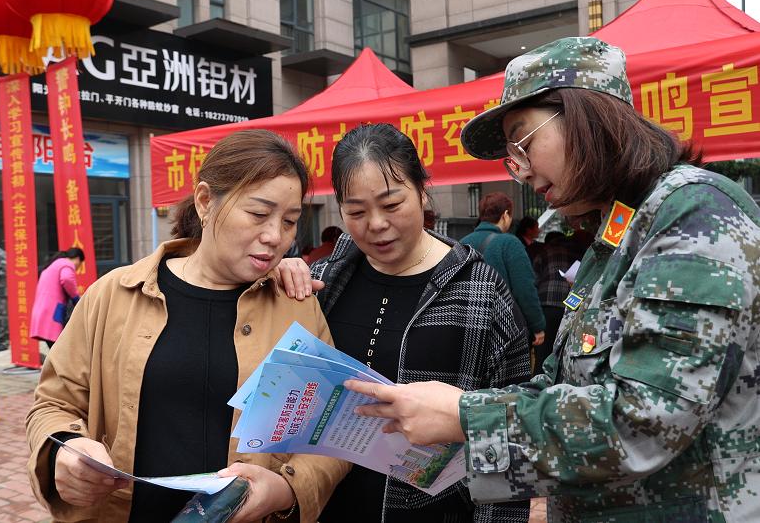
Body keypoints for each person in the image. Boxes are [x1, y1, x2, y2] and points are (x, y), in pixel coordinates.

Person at [340, 37, 760, 522]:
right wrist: (461, 410)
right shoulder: (623, 230)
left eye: (523, 142)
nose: (519, 171)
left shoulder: (693, 214)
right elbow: (569, 385)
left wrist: (465, 416)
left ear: (586, 115)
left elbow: (646, 419)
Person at [26, 130, 350, 522]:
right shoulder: (114, 294)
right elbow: (53, 403)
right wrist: (65, 448)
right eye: (259, 214)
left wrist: (285, 489)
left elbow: (333, 431)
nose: (274, 236)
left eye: (290, 221)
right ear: (205, 202)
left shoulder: (296, 309)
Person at [276, 123, 531, 523]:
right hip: (325, 506)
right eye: (356, 212)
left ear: (422, 191)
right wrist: (274, 281)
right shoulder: (322, 284)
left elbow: (507, 441)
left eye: (392, 204)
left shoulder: (482, 294)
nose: (375, 224)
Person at [460, 193, 545, 349]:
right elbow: (524, 288)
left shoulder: (462, 243)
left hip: (470, 329)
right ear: (505, 214)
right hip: (505, 332)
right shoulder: (510, 243)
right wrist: (537, 325)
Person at [530, 231, 582, 371]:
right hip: (570, 306)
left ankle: (539, 383)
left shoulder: (544, 251)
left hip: (547, 304)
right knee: (565, 349)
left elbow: (533, 279)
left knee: (544, 351)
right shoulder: (577, 251)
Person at [29, 248, 85, 349]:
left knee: (56, 352)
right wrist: (76, 298)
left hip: (43, 312)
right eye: (80, 264)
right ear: (77, 259)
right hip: (51, 314)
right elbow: (67, 279)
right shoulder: (66, 264)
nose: (77, 268)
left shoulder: (54, 264)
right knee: (60, 353)